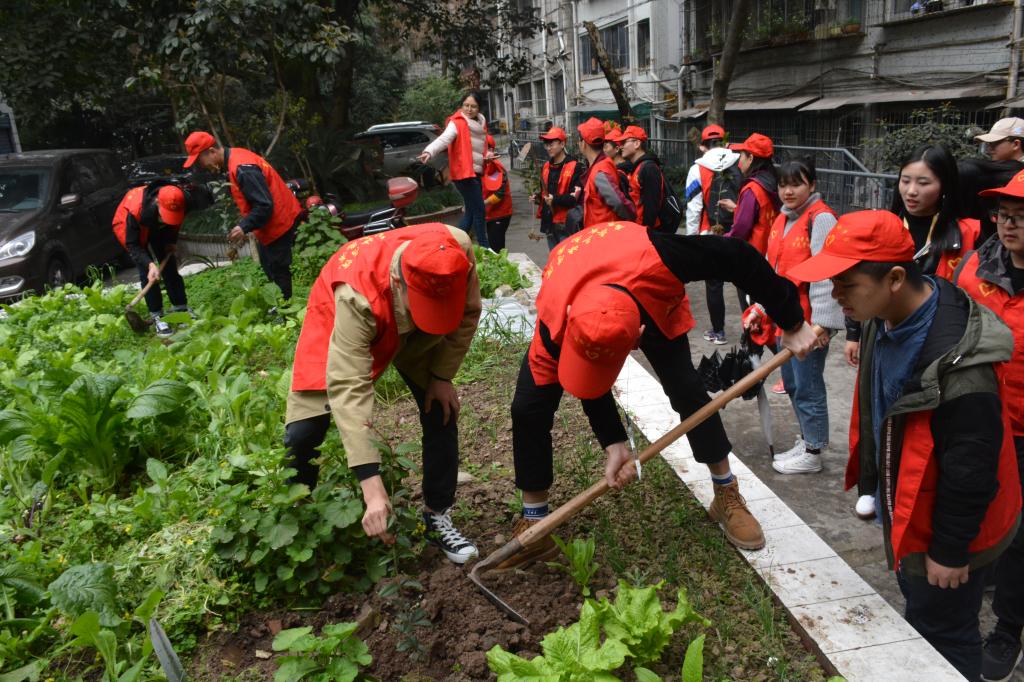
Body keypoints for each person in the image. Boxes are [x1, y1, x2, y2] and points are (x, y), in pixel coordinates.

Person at [495, 220, 822, 570]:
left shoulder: (662, 258)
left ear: (637, 338)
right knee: (528, 407)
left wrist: (792, 322)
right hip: (580, 290)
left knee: (687, 390)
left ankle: (725, 490)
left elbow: (737, 255)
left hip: (648, 292)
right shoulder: (556, 312)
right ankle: (535, 522)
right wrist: (614, 442)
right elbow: (589, 379)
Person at [787, 210, 1020, 681]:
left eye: (846, 284)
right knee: (921, 608)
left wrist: (951, 550)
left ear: (895, 277)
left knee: (945, 630)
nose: (835, 297)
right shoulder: (886, 315)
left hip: (951, 526)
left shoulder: (960, 367)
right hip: (910, 500)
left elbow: (971, 470)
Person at [283, 223, 482, 564]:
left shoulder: (456, 251)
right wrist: (372, 487)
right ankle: (302, 521)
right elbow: (349, 387)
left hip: (417, 333)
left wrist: (441, 375)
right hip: (344, 318)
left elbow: (466, 314)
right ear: (402, 284)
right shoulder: (355, 296)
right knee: (304, 432)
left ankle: (437, 515)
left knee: (441, 408)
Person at [845, 146, 984, 518]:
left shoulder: (968, 233)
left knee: (924, 419)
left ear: (944, 186)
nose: (911, 191)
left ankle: (914, 492)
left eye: (924, 182)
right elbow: (854, 281)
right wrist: (854, 332)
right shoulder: (886, 224)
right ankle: (873, 483)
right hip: (883, 332)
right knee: (877, 406)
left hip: (938, 340)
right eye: (906, 180)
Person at [955, 172, 1024, 681]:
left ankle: (1008, 630)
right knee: (981, 519)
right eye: (1003, 214)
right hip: (983, 417)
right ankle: (969, 619)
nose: (1009, 224)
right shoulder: (976, 265)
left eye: (1021, 216)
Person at [753, 158, 844, 475]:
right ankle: (807, 440)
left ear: (813, 185)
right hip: (786, 319)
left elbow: (826, 277)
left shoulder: (820, 219)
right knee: (792, 384)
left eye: (796, 184)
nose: (788, 191)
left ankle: (813, 451)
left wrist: (823, 326)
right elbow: (773, 272)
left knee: (808, 386)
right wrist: (761, 308)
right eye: (782, 184)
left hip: (808, 322)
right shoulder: (783, 218)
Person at [183, 131, 303, 300]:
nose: (201, 166)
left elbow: (264, 205)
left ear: (211, 151)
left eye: (199, 160)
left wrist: (243, 227)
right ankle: (281, 304)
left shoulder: (242, 168)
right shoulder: (236, 157)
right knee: (267, 263)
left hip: (279, 219)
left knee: (277, 267)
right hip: (271, 220)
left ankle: (286, 309)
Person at [111, 181, 191, 337]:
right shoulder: (134, 212)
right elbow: (133, 245)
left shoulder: (178, 200)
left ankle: (181, 309)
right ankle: (157, 316)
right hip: (131, 229)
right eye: (165, 215)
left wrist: (170, 242)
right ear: (157, 204)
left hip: (156, 225)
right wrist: (149, 265)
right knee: (148, 275)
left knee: (169, 267)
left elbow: (174, 224)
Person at [418, 92, 492, 249]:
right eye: (466, 105)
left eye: (473, 106)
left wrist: (488, 156)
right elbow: (444, 139)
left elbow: (478, 149)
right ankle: (486, 249)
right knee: (479, 211)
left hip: (475, 172)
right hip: (463, 174)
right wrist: (429, 151)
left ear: (479, 108)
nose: (469, 109)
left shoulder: (481, 123)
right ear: (462, 105)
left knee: (471, 214)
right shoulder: (457, 122)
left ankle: (450, 245)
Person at [576, 117, 635, 228]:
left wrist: (630, 223)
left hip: (604, 234)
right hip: (599, 232)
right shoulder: (601, 165)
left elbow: (619, 203)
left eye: (579, 140)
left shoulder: (599, 171)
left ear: (583, 143)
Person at [533, 126, 583, 249]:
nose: (548, 147)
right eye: (546, 144)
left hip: (566, 224)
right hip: (549, 222)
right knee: (554, 259)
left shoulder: (575, 166)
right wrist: (538, 198)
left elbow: (575, 198)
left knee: (567, 262)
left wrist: (554, 199)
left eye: (552, 143)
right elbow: (546, 194)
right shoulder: (546, 166)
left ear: (562, 144)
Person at [621, 125, 677, 233]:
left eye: (624, 142)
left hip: (649, 232)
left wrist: (647, 232)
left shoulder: (649, 168)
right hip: (639, 229)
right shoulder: (637, 167)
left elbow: (652, 205)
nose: (621, 146)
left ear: (637, 144)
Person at [481, 135, 513, 251]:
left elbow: (500, 194)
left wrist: (481, 203)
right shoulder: (482, 166)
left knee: (496, 249)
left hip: (499, 214)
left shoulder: (496, 168)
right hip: (489, 214)